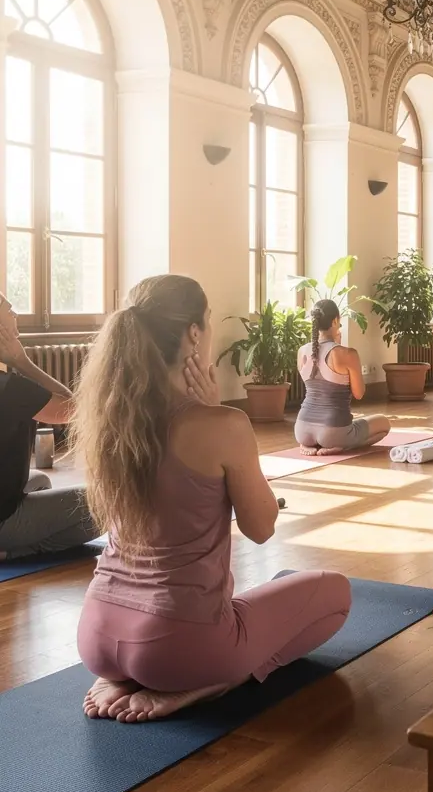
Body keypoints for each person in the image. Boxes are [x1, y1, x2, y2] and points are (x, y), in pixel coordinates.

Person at [73, 275, 352, 723]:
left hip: (96, 633)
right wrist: (222, 415)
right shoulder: (223, 426)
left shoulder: (110, 422)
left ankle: (122, 675)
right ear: (193, 334)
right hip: (176, 647)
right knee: (336, 592)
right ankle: (211, 682)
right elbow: (262, 528)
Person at [0, 293, 97, 561]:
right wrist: (22, 361)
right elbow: (72, 409)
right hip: (2, 520)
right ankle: (13, 551)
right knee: (104, 502)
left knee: (40, 480)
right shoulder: (9, 388)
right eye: (9, 309)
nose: (15, 314)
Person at [294, 299, 390, 456]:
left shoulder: (302, 351)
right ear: (335, 321)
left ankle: (309, 445)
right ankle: (342, 446)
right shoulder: (348, 354)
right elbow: (359, 394)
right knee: (384, 423)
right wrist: (338, 345)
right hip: (334, 431)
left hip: (302, 429)